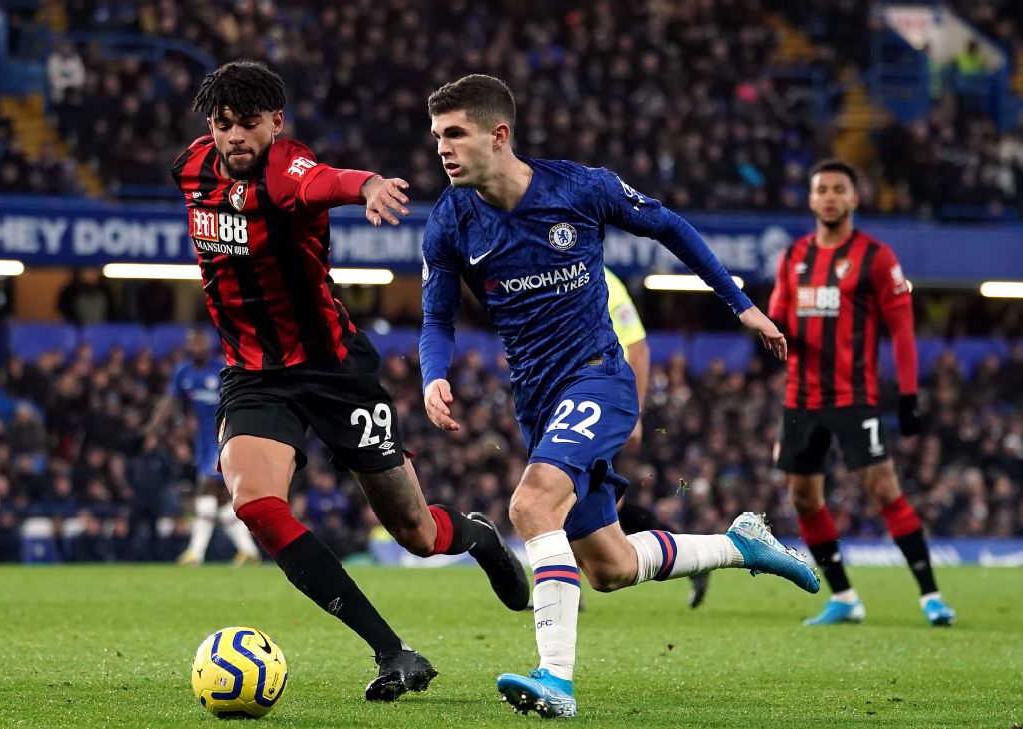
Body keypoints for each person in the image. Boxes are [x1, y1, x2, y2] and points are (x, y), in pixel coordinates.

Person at [419, 74, 819, 719]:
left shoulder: (579, 188)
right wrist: (432, 373)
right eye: (437, 135)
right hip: (536, 400)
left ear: (499, 135)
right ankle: (742, 545)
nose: (442, 148)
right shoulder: (450, 222)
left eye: (455, 133)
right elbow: (436, 317)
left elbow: (669, 226)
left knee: (532, 504)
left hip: (599, 375)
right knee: (608, 564)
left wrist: (739, 303)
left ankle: (555, 681)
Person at [170, 60, 528, 703]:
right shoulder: (191, 168)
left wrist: (364, 186)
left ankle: (476, 536)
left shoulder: (285, 169)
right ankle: (394, 652)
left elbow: (321, 182)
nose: (235, 139)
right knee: (255, 504)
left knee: (416, 535)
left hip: (335, 371)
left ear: (276, 123)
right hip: (255, 375)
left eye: (249, 125)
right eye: (223, 126)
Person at [767, 159, 954, 627]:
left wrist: (909, 395)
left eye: (838, 189)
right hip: (802, 399)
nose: (829, 196)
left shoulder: (876, 257)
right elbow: (777, 318)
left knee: (883, 489)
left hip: (854, 397)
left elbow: (903, 330)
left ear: (854, 198)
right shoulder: (794, 258)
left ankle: (931, 596)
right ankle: (846, 597)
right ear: (811, 200)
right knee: (804, 498)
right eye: (821, 189)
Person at [604, 267, 711, 609]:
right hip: (573, 404)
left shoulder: (604, 281)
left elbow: (638, 347)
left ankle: (563, 592)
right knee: (598, 509)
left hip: (605, 406)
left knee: (581, 502)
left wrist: (633, 414)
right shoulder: (552, 273)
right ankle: (690, 554)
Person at [146, 329, 261, 567]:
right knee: (220, 502)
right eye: (192, 343)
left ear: (208, 345)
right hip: (202, 440)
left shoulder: (222, 369)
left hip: (224, 437)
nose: (196, 347)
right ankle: (248, 551)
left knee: (205, 489)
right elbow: (171, 401)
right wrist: (152, 428)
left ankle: (195, 553)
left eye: (199, 343)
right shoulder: (183, 372)